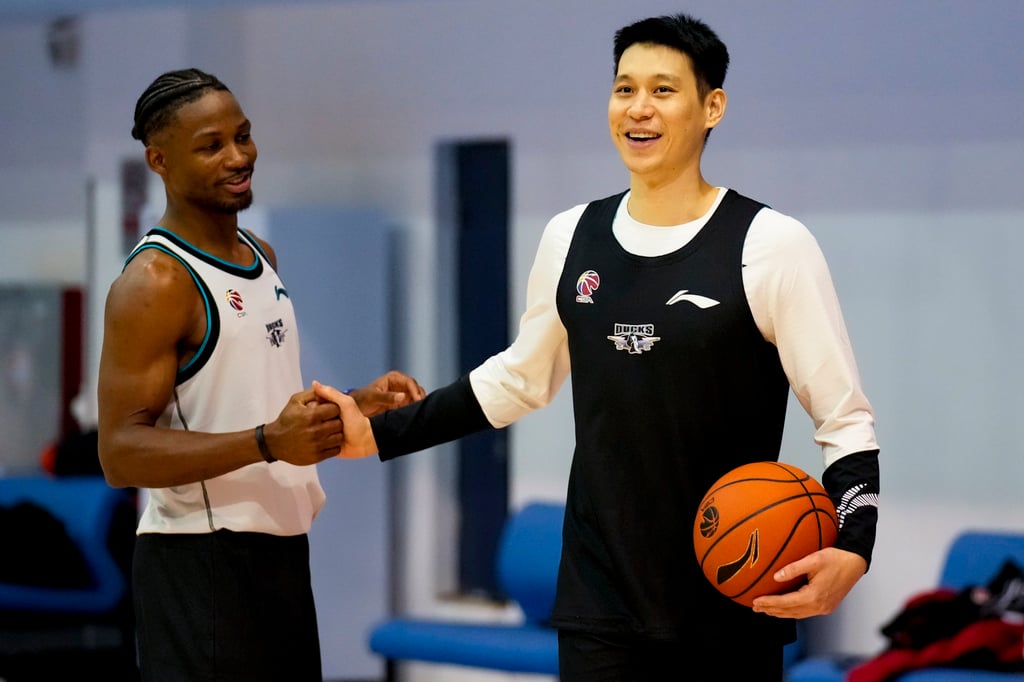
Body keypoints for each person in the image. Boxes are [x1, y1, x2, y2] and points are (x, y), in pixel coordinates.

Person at [318, 12, 880, 681]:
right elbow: (519, 379)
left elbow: (844, 417)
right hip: (599, 598)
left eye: (663, 90)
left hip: (730, 591)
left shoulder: (771, 244)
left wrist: (854, 545)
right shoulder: (569, 236)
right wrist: (383, 436)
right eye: (624, 89)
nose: (638, 109)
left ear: (712, 107)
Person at [96, 68, 424, 682]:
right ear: (159, 160)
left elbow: (250, 401)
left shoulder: (260, 256)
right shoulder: (155, 283)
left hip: (280, 553)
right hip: (200, 560)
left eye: (243, 136)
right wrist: (268, 444)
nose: (238, 156)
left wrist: (354, 402)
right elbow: (119, 452)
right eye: (211, 145)